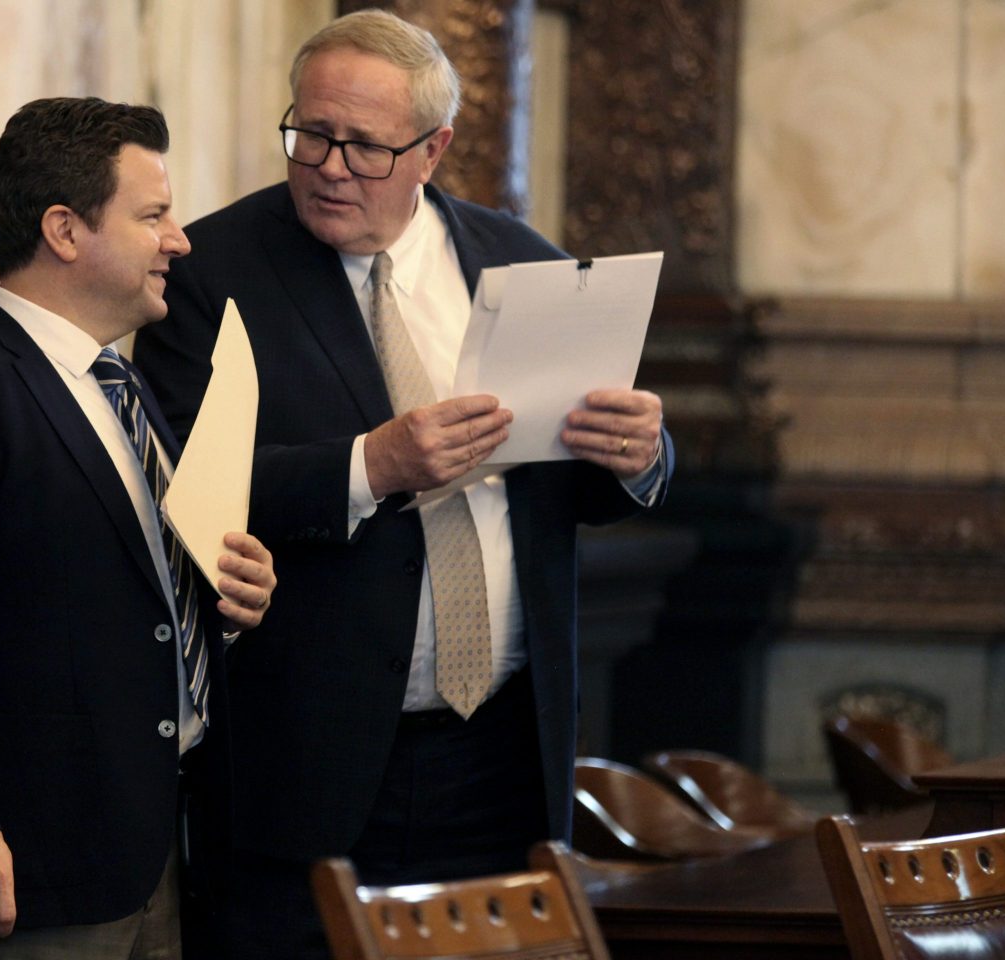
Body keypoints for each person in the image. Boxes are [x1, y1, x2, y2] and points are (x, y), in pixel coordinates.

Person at [133, 10, 672, 958]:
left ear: (434, 149)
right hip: (305, 765)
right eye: (309, 135)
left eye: (366, 147)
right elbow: (178, 485)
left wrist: (638, 456)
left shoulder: (526, 264)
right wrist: (369, 466)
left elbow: (574, 485)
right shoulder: (209, 271)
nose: (330, 166)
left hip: (502, 751)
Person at [0, 97, 276, 959]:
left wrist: (223, 597)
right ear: (65, 229)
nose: (180, 239)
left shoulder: (124, 385)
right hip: (25, 871)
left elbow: (118, 596)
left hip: (156, 851)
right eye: (154, 215)